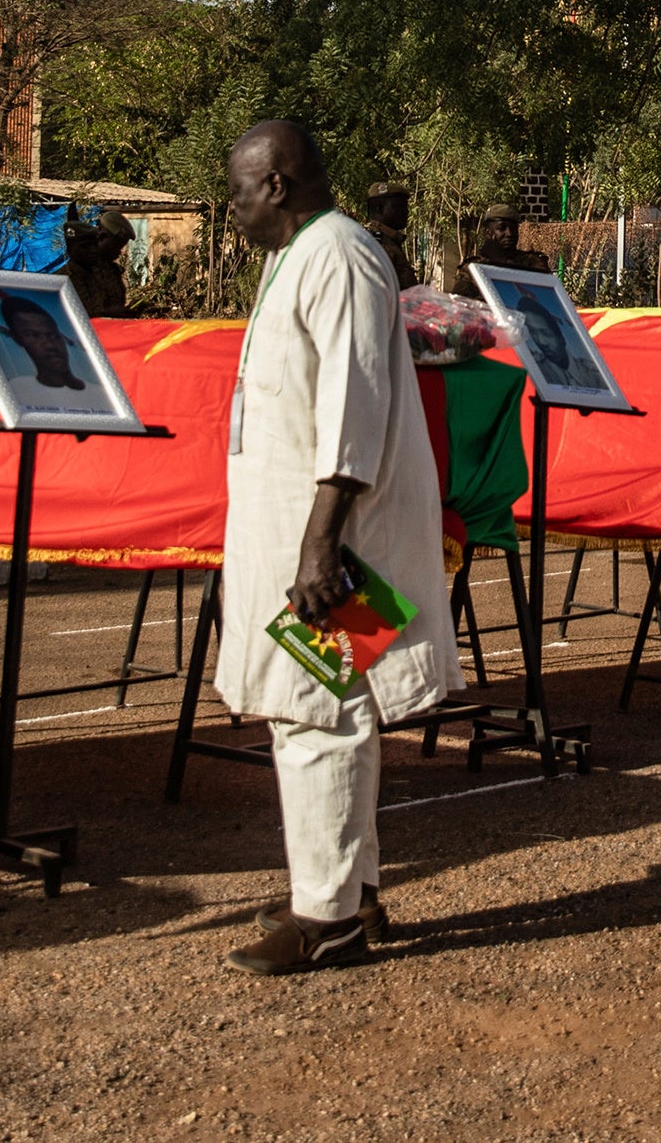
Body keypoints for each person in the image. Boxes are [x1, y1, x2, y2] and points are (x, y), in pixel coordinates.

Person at [218, 120, 457, 975]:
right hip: (300, 534)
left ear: (275, 184)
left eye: (238, 193)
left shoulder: (343, 255)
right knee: (328, 708)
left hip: (333, 541)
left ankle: (328, 918)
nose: (233, 210)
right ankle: (350, 895)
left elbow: (353, 408)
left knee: (316, 711)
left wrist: (320, 543)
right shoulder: (294, 257)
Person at [361, 183, 421, 292]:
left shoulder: (388, 241)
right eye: (400, 206)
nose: (406, 211)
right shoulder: (378, 244)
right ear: (379, 209)